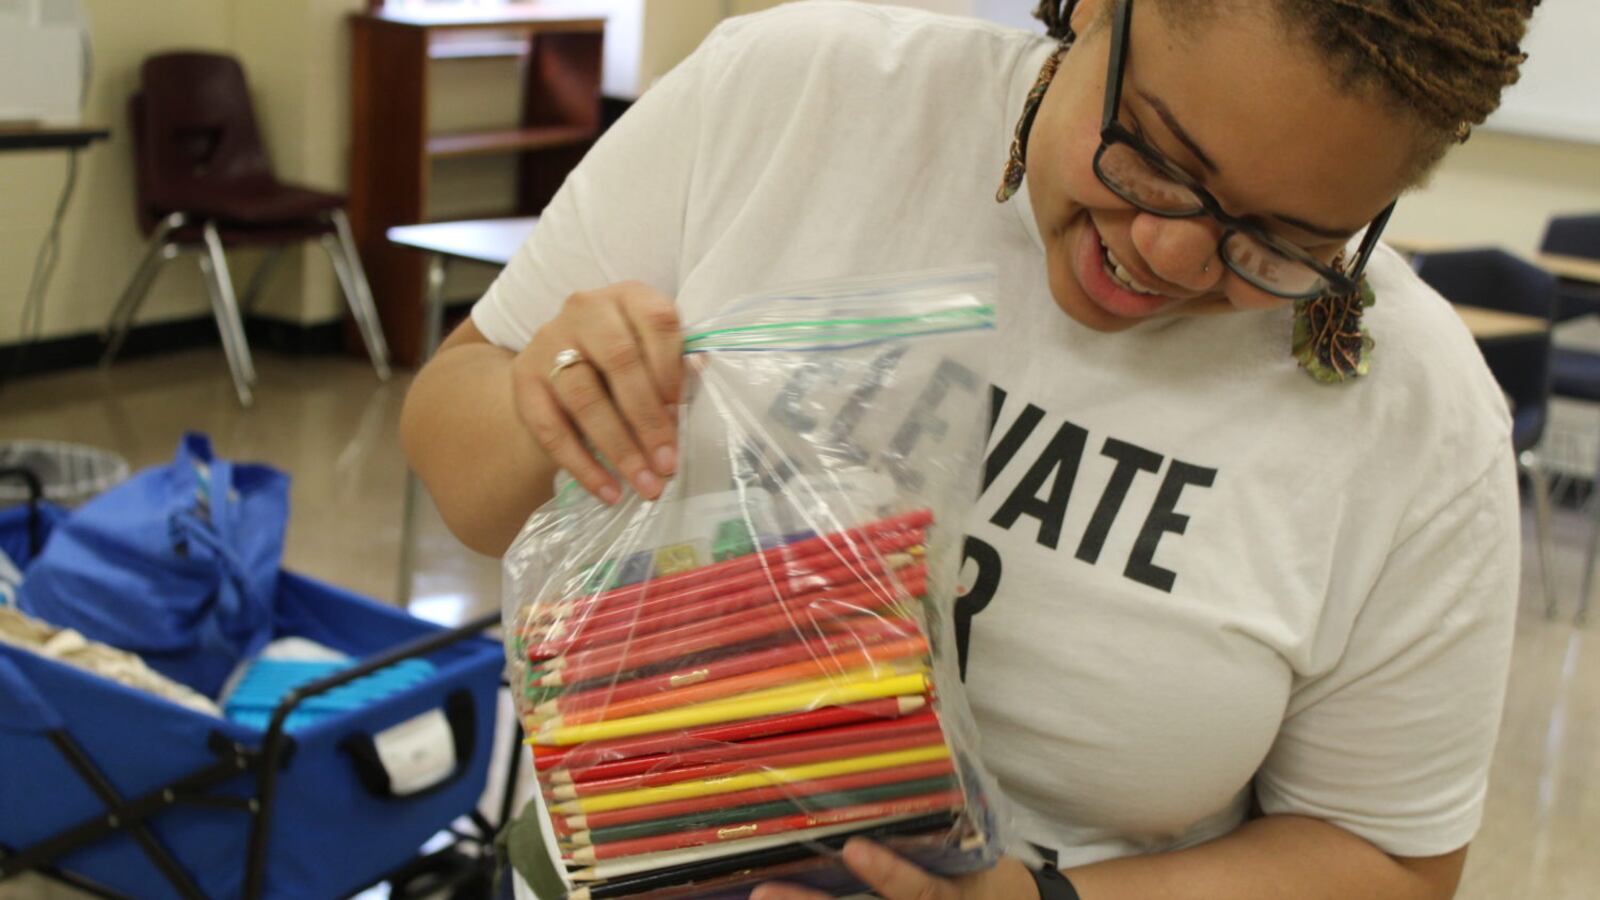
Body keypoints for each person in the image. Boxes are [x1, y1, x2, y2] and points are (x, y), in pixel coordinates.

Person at [402, 0, 1540, 896]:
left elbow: (1388, 861)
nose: (1169, 255)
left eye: (1278, 243)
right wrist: (558, 396)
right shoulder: (795, 96)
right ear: (1095, 6)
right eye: (1155, 153)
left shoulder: (1421, 421)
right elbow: (457, 447)